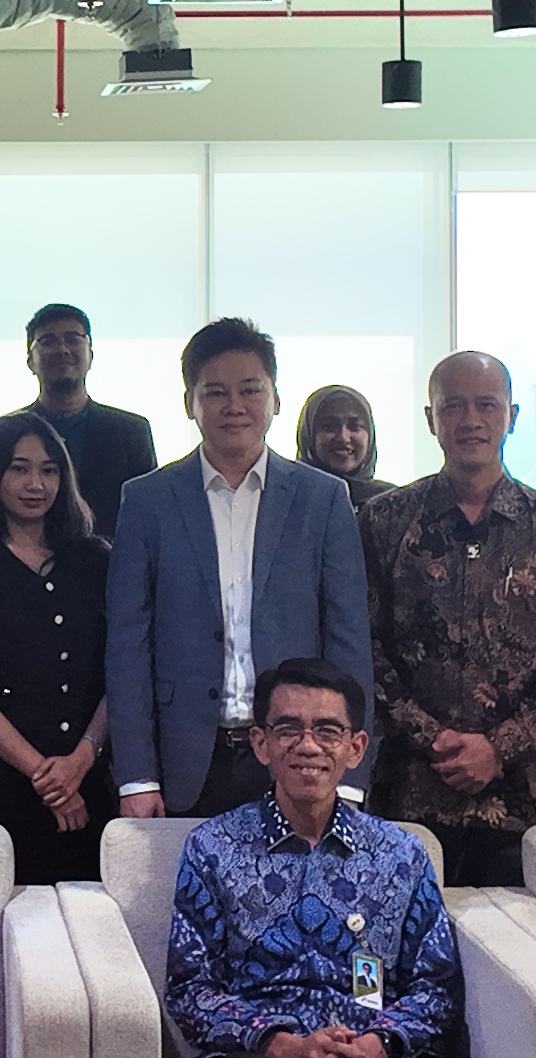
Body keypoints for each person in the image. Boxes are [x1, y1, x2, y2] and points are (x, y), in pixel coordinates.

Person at [165, 657, 478, 1058]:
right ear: (260, 744)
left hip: (370, 1053)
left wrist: (380, 1042)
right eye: (287, 728)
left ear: (356, 747)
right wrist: (278, 1042)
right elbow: (191, 986)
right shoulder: (214, 848)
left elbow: (436, 985)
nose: (307, 745)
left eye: (327, 730)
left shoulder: (399, 853)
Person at [108, 318, 374, 819]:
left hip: (298, 755)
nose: (234, 406)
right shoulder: (146, 500)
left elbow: (348, 644)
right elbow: (128, 646)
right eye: (216, 392)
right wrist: (136, 776)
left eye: (250, 390)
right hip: (185, 760)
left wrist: (350, 777)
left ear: (275, 398)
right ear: (191, 402)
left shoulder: (323, 500)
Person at [360, 353, 536, 888]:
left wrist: (499, 747)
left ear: (511, 416)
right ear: (432, 418)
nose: (470, 419)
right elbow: (363, 649)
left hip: (531, 800)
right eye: (454, 406)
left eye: (486, 405)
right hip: (412, 793)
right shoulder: (384, 521)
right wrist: (435, 739)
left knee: (530, 960)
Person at [0, 411, 115, 883]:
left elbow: (123, 668)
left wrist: (81, 760)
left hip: (90, 783)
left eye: (49, 469)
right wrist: (47, 778)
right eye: (20, 468)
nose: (36, 483)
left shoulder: (95, 560)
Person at [16, 303, 158, 534]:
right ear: (30, 360)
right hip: (24, 565)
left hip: (110, 564)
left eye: (72, 339)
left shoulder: (132, 431)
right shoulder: (3, 432)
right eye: (48, 341)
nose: (62, 349)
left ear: (90, 354)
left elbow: (148, 515)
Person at [294, 385, 396, 507]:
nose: (343, 437)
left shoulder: (394, 504)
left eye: (354, 426)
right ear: (309, 435)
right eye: (329, 426)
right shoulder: (287, 497)